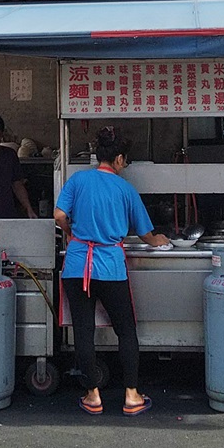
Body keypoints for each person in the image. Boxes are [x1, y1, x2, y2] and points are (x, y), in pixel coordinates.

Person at [54, 127, 171, 416]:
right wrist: (162, 240)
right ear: (119, 159)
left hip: (78, 265)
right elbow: (146, 234)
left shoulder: (78, 179)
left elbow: (58, 215)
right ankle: (132, 396)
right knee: (126, 331)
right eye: (125, 160)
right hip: (110, 268)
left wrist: (71, 233)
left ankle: (92, 395)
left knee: (83, 330)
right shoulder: (125, 189)